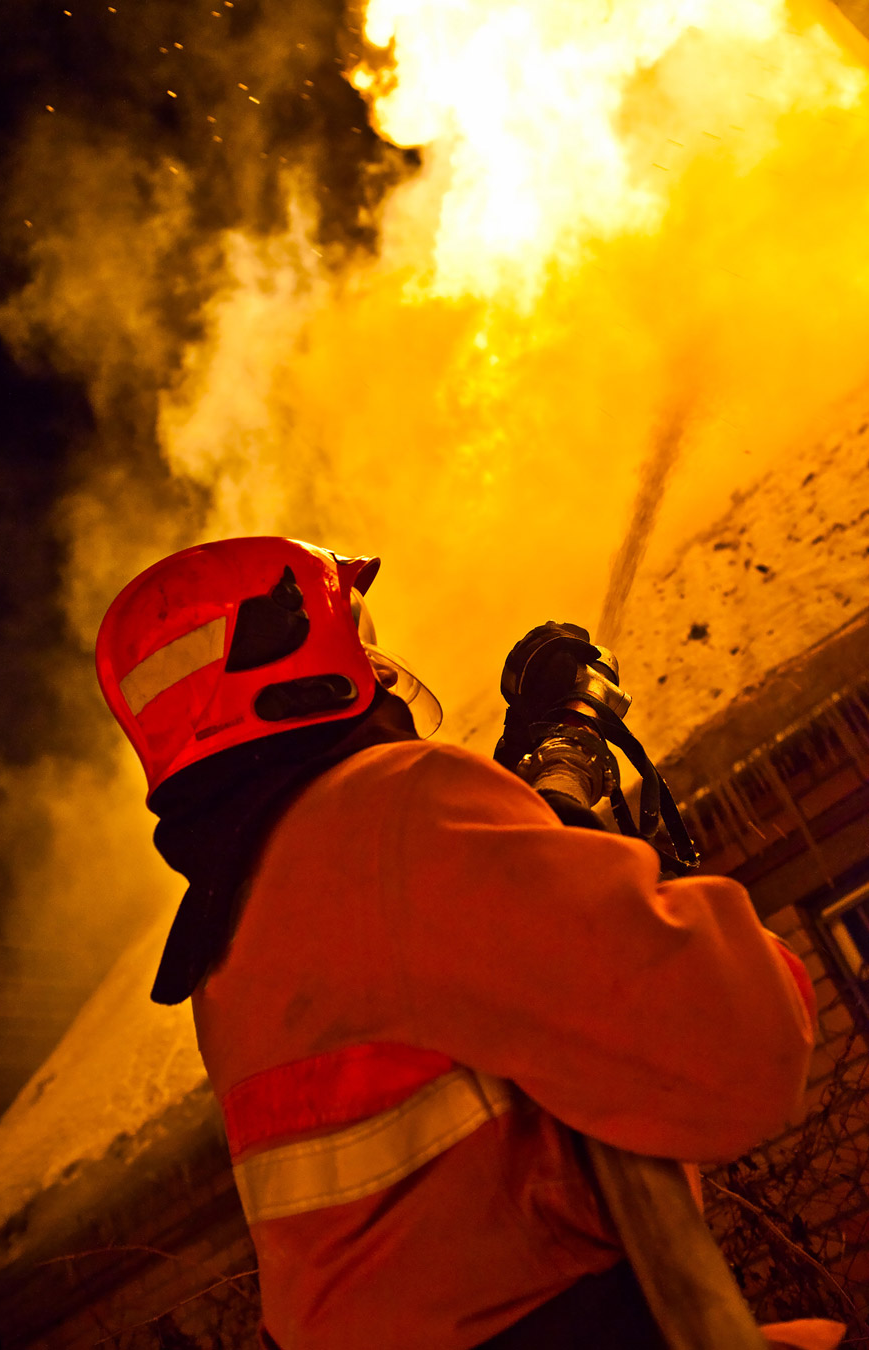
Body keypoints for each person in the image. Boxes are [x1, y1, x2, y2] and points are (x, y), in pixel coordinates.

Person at [96, 535, 839, 1350]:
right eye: (358, 635)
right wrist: (587, 847)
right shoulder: (398, 811)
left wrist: (536, 824)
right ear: (293, 656)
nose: (377, 663)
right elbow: (737, 1043)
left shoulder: (233, 946)